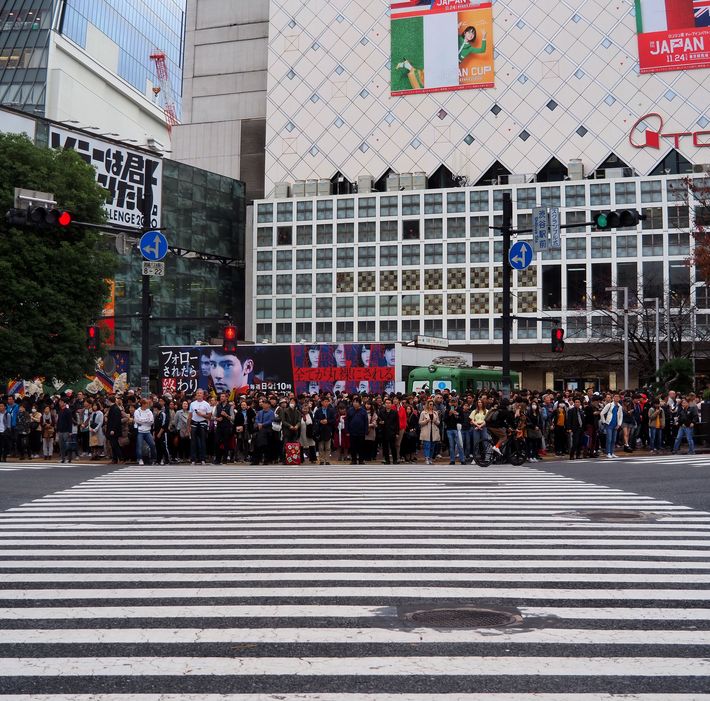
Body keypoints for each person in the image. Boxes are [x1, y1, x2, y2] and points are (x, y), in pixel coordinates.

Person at [188, 388, 211, 465]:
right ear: (196, 395)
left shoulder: (206, 404)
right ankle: (193, 459)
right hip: (194, 423)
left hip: (203, 423)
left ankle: (203, 459)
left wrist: (202, 414)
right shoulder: (192, 404)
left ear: (203, 395)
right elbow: (190, 416)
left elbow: (209, 417)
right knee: (193, 442)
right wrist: (188, 427)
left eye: (200, 393)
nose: (199, 395)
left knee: (203, 442)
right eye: (197, 393)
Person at [313, 397, 336, 465]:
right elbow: (315, 420)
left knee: (328, 447)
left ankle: (327, 460)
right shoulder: (318, 410)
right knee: (321, 447)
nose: (326, 403)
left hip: (328, 430)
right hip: (320, 430)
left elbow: (333, 420)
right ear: (322, 402)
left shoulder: (331, 410)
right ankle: (322, 460)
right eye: (324, 401)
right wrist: (320, 421)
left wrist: (327, 421)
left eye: (327, 401)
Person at [134, 398, 156, 466]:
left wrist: (143, 421)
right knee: (139, 446)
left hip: (147, 431)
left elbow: (151, 421)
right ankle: (140, 459)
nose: (148, 405)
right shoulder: (137, 411)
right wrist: (146, 420)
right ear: (143, 404)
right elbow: (137, 420)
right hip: (140, 431)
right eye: (146, 403)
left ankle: (153, 458)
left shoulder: (149, 411)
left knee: (152, 444)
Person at [346, 396, 368, 465]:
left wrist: (366, 430)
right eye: (354, 402)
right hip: (352, 432)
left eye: (356, 402)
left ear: (360, 403)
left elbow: (366, 422)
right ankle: (354, 460)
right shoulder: (350, 410)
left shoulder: (363, 411)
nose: (355, 403)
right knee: (353, 447)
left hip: (361, 432)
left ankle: (361, 460)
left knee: (361, 446)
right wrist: (347, 431)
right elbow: (347, 421)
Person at [600, 394, 623, 458]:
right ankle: (608, 453)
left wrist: (619, 424)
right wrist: (604, 422)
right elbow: (602, 413)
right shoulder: (609, 405)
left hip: (615, 425)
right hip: (609, 424)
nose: (617, 398)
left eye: (618, 397)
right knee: (609, 439)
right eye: (615, 397)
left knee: (614, 440)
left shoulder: (620, 406)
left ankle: (612, 452)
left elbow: (621, 416)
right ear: (613, 398)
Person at [378, 398, 400, 465]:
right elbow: (378, 421)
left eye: (389, 403)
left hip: (392, 432)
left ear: (391, 404)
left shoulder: (394, 412)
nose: (388, 404)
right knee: (385, 447)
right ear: (384, 404)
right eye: (386, 403)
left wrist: (397, 433)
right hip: (384, 432)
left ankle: (395, 460)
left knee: (393, 447)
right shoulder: (381, 412)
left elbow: (397, 423)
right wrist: (380, 422)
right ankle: (387, 460)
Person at [418, 399, 440, 465]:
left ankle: (430, 458)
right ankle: (426, 458)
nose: (431, 406)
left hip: (434, 431)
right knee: (427, 445)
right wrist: (426, 421)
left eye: (432, 405)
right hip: (426, 431)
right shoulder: (423, 412)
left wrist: (435, 421)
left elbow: (438, 422)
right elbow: (420, 422)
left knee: (432, 446)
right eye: (430, 404)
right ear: (427, 405)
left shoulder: (435, 413)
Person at [214, 392, 234, 464]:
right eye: (221, 396)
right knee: (217, 442)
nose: (221, 398)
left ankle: (225, 459)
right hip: (219, 427)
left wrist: (226, 415)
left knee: (226, 443)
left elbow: (233, 418)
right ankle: (217, 459)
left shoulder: (230, 406)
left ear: (226, 398)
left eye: (223, 396)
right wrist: (217, 419)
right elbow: (213, 416)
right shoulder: (218, 406)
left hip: (227, 427)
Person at [56, 398, 74, 463]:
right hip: (60, 430)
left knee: (67, 445)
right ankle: (63, 458)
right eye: (59, 402)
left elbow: (70, 422)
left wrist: (70, 431)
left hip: (66, 431)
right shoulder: (60, 411)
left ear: (64, 403)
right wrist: (57, 430)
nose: (59, 403)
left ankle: (69, 458)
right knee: (61, 446)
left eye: (61, 402)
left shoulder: (68, 411)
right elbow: (58, 421)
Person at [154, 396, 172, 465]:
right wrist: (154, 434)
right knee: (158, 447)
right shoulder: (156, 416)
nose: (154, 410)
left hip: (163, 433)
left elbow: (164, 424)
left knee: (164, 446)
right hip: (156, 433)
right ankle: (158, 460)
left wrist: (160, 433)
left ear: (157, 408)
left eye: (155, 408)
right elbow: (154, 426)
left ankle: (167, 460)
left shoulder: (163, 414)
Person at [106, 396, 123, 464]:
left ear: (110, 400)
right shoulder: (113, 408)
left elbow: (116, 420)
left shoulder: (115, 408)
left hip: (114, 430)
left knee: (115, 445)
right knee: (113, 445)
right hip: (112, 429)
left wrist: (113, 429)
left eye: (108, 400)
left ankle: (120, 458)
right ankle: (115, 459)